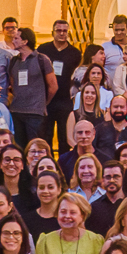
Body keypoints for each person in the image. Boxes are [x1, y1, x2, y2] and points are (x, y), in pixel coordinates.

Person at [39, 19, 84, 153]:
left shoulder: (75, 53)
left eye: (65, 31)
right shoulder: (43, 50)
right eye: (59, 30)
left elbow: (77, 76)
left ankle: (63, 165)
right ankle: (47, 163)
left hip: (65, 100)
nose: (62, 33)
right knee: (46, 134)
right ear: (53, 32)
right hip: (47, 99)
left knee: (64, 136)